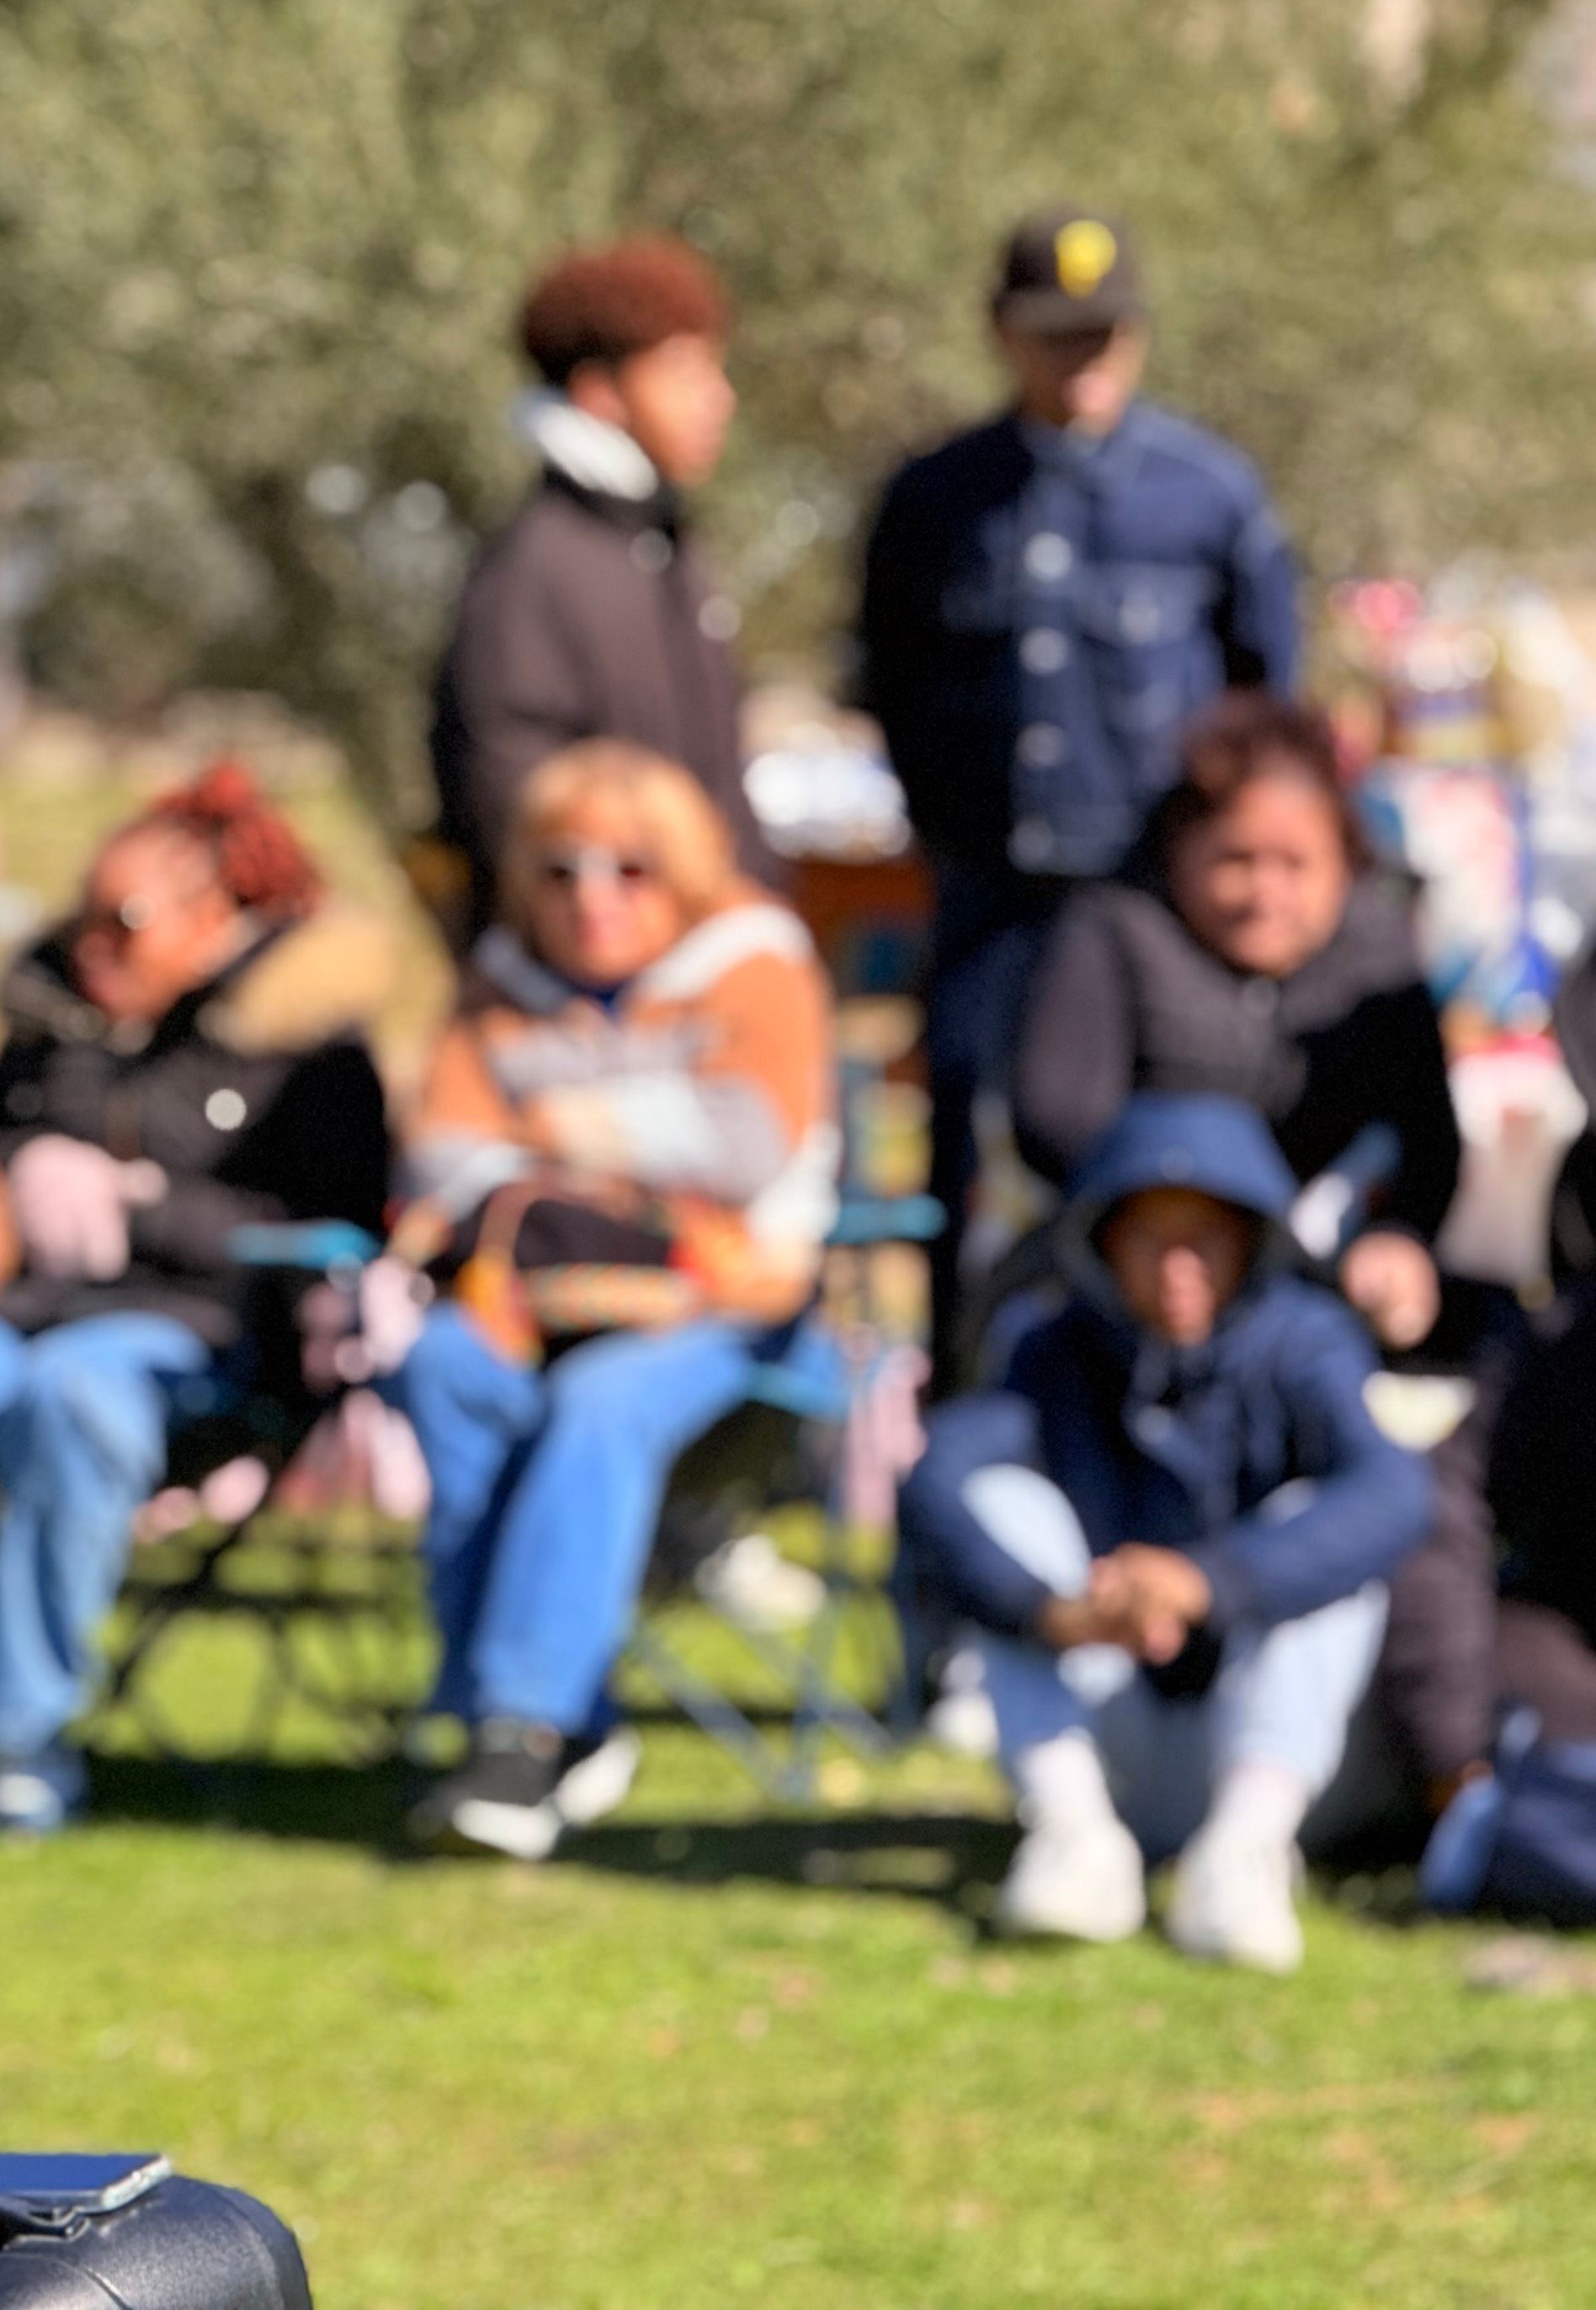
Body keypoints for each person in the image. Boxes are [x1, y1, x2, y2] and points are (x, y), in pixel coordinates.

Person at [0, 765, 392, 1844]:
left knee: (74, 1396)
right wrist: (22, 1164)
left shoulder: (305, 1042)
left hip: (199, 1334)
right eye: (82, 917)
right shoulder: (50, 1021)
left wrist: (143, 1206)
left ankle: (20, 1736)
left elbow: (336, 1228)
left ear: (212, 920)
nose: (92, 946)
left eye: (122, 923)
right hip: (18, 1309)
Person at [380, 741, 839, 1858]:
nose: (593, 897)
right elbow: (438, 1155)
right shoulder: (502, 984)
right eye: (561, 868)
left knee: (598, 1404)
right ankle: (563, 1721)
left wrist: (561, 1135)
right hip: (534, 1307)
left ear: (679, 871)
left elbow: (748, 1141)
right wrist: (636, 1152)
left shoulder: (752, 963)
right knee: (441, 1363)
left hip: (734, 1318)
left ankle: (518, 1738)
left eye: (630, 869)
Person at [858, 208, 1299, 1363]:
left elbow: (1265, 707)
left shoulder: (1207, 495)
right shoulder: (936, 502)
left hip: (1151, 909)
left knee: (1168, 1168)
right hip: (993, 905)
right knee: (970, 1172)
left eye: (1107, 336)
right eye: (1058, 337)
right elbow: (891, 687)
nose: (1085, 362)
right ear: (1005, 337)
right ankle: (970, 1407)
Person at [900, 1095, 1431, 1972]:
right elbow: (937, 1477)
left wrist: (1209, 1582)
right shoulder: (1055, 1348)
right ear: (1101, 1243)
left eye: (1207, 1239)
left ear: (1252, 1241)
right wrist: (1048, 1610)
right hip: (1119, 1735)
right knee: (1006, 1501)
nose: (1180, 1270)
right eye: (1151, 1238)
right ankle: (1074, 1837)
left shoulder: (1305, 1342)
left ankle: (1247, 1853)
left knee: (1322, 1527)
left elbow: (1395, 1493)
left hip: (1287, 1755)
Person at [1011, 690, 1455, 1354]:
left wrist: (1397, 1241)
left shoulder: (1381, 954)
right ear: (1180, 847)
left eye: (1296, 865)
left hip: (1324, 1295)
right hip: (1135, 1288)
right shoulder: (1112, 928)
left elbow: (1428, 1139)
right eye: (1235, 861)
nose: (1265, 896)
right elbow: (1055, 1123)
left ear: (1345, 863)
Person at [427, 235, 763, 933]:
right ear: (600, 393)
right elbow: (516, 804)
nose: (718, 399)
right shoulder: (534, 570)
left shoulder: (662, 545)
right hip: (600, 990)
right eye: (686, 373)